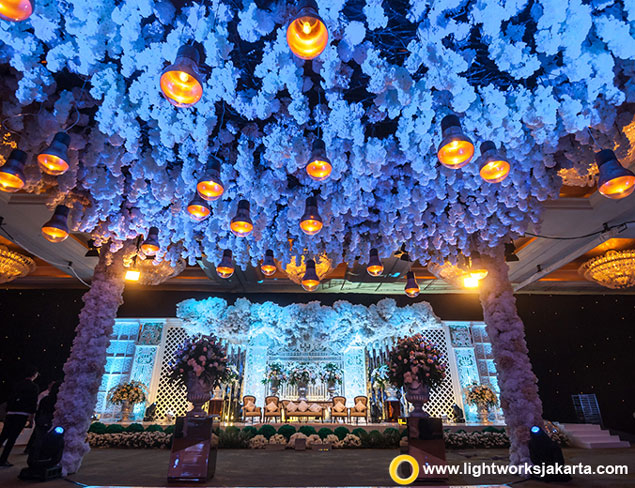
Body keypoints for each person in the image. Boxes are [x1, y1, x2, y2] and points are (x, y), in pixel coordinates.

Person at [0, 365, 39, 468]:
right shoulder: (33, 387)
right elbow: (33, 404)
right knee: (12, 439)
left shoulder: (17, 385)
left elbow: (10, 398)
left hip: (11, 413)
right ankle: (3, 459)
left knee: (3, 436)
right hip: (22, 415)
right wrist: (31, 419)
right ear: (34, 375)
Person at [26, 382, 59, 456]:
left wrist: (37, 419)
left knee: (38, 438)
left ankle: (33, 454)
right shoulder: (55, 399)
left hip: (42, 420)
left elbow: (39, 409)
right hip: (48, 421)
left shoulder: (46, 398)